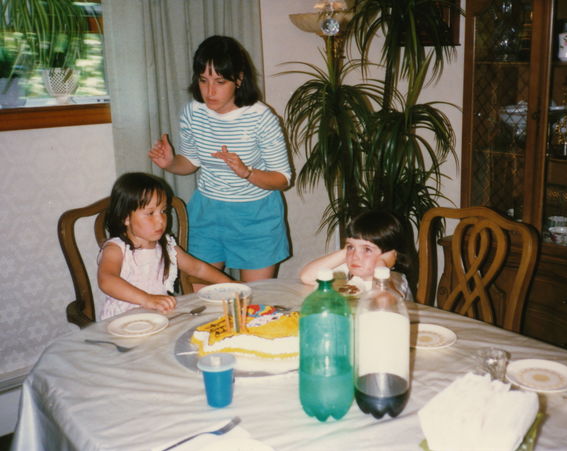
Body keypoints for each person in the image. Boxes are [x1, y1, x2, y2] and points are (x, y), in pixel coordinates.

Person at [148, 35, 291, 282]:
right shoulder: (193, 112)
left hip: (256, 216)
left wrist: (247, 172)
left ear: (239, 79)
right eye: (203, 80)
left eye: (220, 81)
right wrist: (171, 163)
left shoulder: (261, 117)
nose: (209, 91)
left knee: (254, 305)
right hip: (207, 212)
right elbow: (191, 162)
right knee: (203, 304)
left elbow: (282, 179)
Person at [97, 172, 233, 320]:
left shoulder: (166, 245)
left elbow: (197, 268)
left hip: (159, 317)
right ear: (126, 218)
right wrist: (147, 299)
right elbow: (107, 280)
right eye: (150, 213)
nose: (160, 220)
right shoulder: (116, 249)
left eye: (163, 211)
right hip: (123, 321)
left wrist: (230, 284)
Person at [299, 210, 414, 300]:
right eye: (350, 247)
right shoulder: (350, 272)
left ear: (390, 255)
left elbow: (382, 300)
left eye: (367, 249)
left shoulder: (395, 279)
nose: (355, 256)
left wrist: (381, 264)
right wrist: (345, 252)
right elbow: (307, 277)